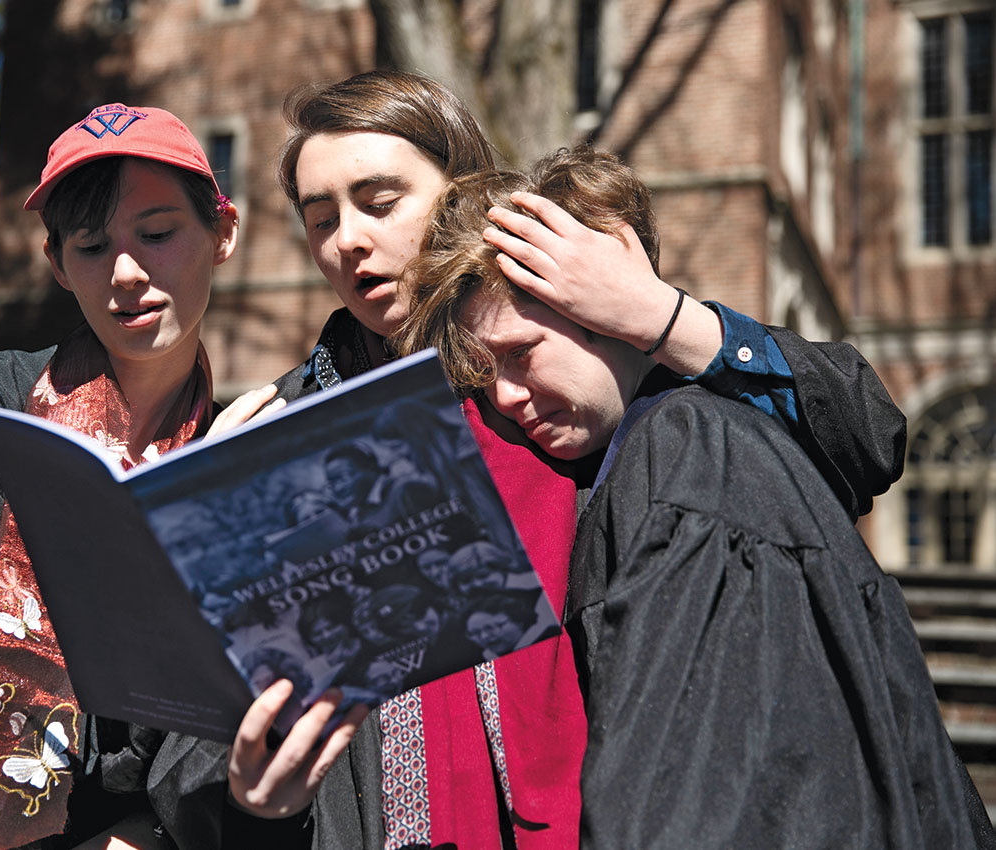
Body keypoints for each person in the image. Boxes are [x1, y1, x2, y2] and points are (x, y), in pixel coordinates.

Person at [147, 70, 909, 849]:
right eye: (319, 219)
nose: (347, 239)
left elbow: (863, 435)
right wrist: (253, 801)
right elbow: (197, 753)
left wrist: (657, 315)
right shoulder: (280, 433)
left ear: (460, 195)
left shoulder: (574, 374)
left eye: (379, 203)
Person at [0, 102, 364, 850]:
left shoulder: (241, 451)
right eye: (91, 246)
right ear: (57, 264)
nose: (126, 273)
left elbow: (226, 716)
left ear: (223, 233)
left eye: (157, 234)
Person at [393, 151, 995, 847]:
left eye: (521, 351)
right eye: (485, 370)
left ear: (600, 307)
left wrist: (656, 312)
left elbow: (697, 794)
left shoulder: (690, 452)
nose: (503, 394)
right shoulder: (591, 471)